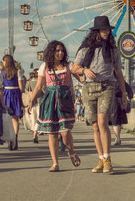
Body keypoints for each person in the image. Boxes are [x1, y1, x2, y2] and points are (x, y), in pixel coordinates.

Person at [71, 16, 129, 174]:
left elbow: (119, 73)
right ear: (96, 31)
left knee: (103, 122)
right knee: (95, 125)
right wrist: (84, 71)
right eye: (103, 29)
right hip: (89, 88)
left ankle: (108, 159)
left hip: (107, 87)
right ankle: (101, 159)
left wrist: (124, 94)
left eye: (108, 30)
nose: (106, 32)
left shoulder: (113, 50)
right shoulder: (85, 49)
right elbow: (74, 68)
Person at [29, 40, 81, 172]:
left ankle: (71, 151)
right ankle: (55, 163)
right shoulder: (44, 66)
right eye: (57, 50)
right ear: (52, 52)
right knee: (52, 133)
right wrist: (31, 101)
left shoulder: (69, 66)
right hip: (50, 99)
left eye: (62, 50)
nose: (60, 53)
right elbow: (39, 86)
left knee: (65, 132)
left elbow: (81, 79)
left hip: (64, 99)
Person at [0, 54, 24, 150]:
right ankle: (15, 137)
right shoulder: (18, 72)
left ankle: (9, 138)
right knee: (15, 118)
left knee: (6, 117)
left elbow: (0, 85)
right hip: (15, 94)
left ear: (6, 61)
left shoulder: (1, 72)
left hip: (6, 94)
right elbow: (21, 88)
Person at [22, 70, 40, 143]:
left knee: (32, 119)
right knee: (38, 119)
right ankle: (35, 133)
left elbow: (25, 92)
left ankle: (34, 133)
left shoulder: (28, 82)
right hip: (40, 102)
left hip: (30, 103)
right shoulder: (41, 82)